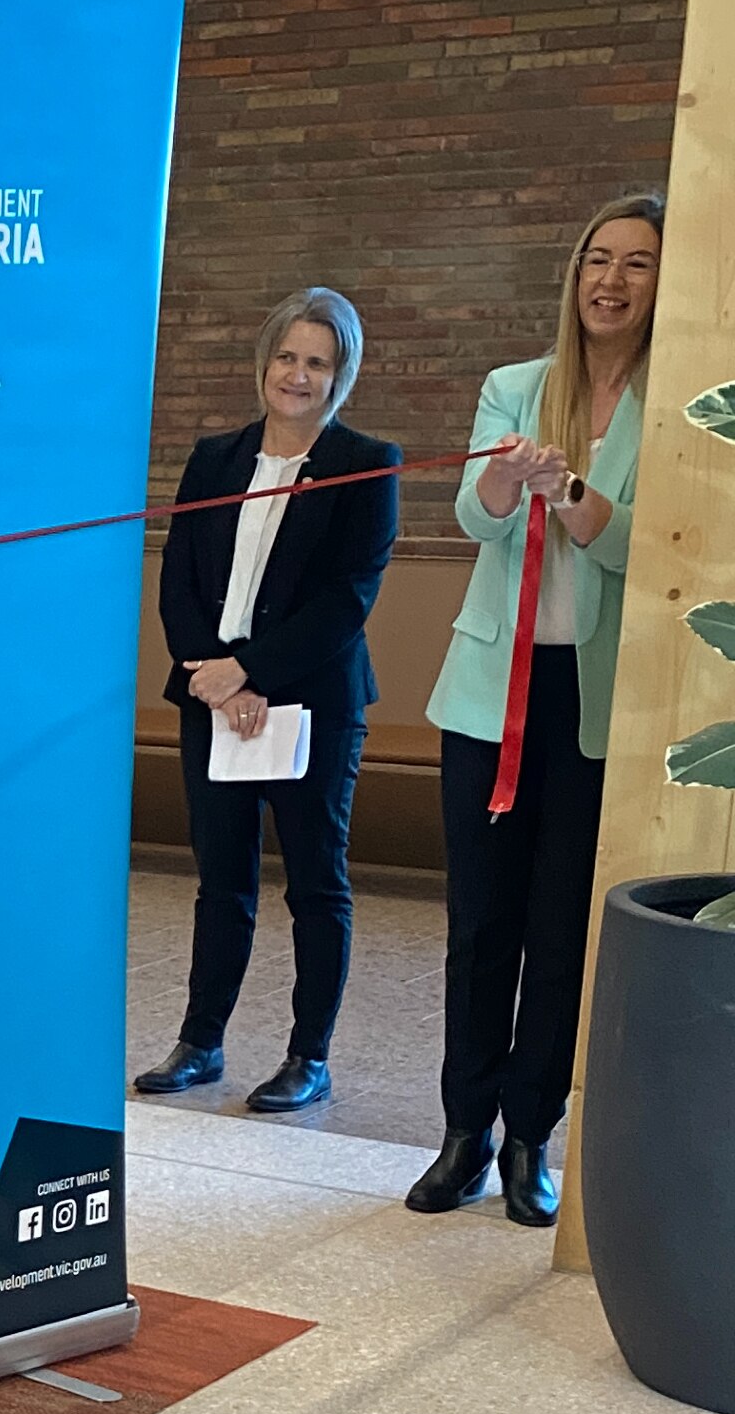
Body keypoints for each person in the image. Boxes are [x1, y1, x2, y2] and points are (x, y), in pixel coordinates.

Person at [410, 191, 662, 1225]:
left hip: (593, 701)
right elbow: (475, 517)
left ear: (662, 283)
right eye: (598, 259)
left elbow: (646, 545)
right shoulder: (514, 386)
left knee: (560, 932)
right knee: (481, 924)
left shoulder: (674, 404)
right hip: (489, 697)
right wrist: (513, 484)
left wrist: (575, 496)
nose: (611, 279)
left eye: (637, 263)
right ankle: (462, 1131)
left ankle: (528, 1137)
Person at [137, 287, 399, 1113]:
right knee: (222, 879)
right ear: (265, 361)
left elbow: (347, 598)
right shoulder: (215, 457)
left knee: (316, 883)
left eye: (317, 362)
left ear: (341, 375)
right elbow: (179, 576)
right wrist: (212, 674)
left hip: (311, 702)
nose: (298, 374)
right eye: (287, 356)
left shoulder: (367, 463)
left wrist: (251, 674)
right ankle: (201, 1041)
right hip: (211, 698)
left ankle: (307, 1056)